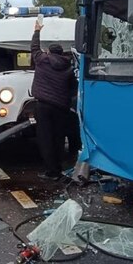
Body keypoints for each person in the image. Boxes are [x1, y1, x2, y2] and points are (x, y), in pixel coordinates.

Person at [31, 16, 77, 180]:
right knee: (59, 138)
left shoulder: (42, 60)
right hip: (61, 108)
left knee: (45, 138)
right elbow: (73, 89)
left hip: (43, 106)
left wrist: (37, 30)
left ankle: (52, 171)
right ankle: (59, 167)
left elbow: (34, 47)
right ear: (62, 53)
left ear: (49, 52)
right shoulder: (68, 68)